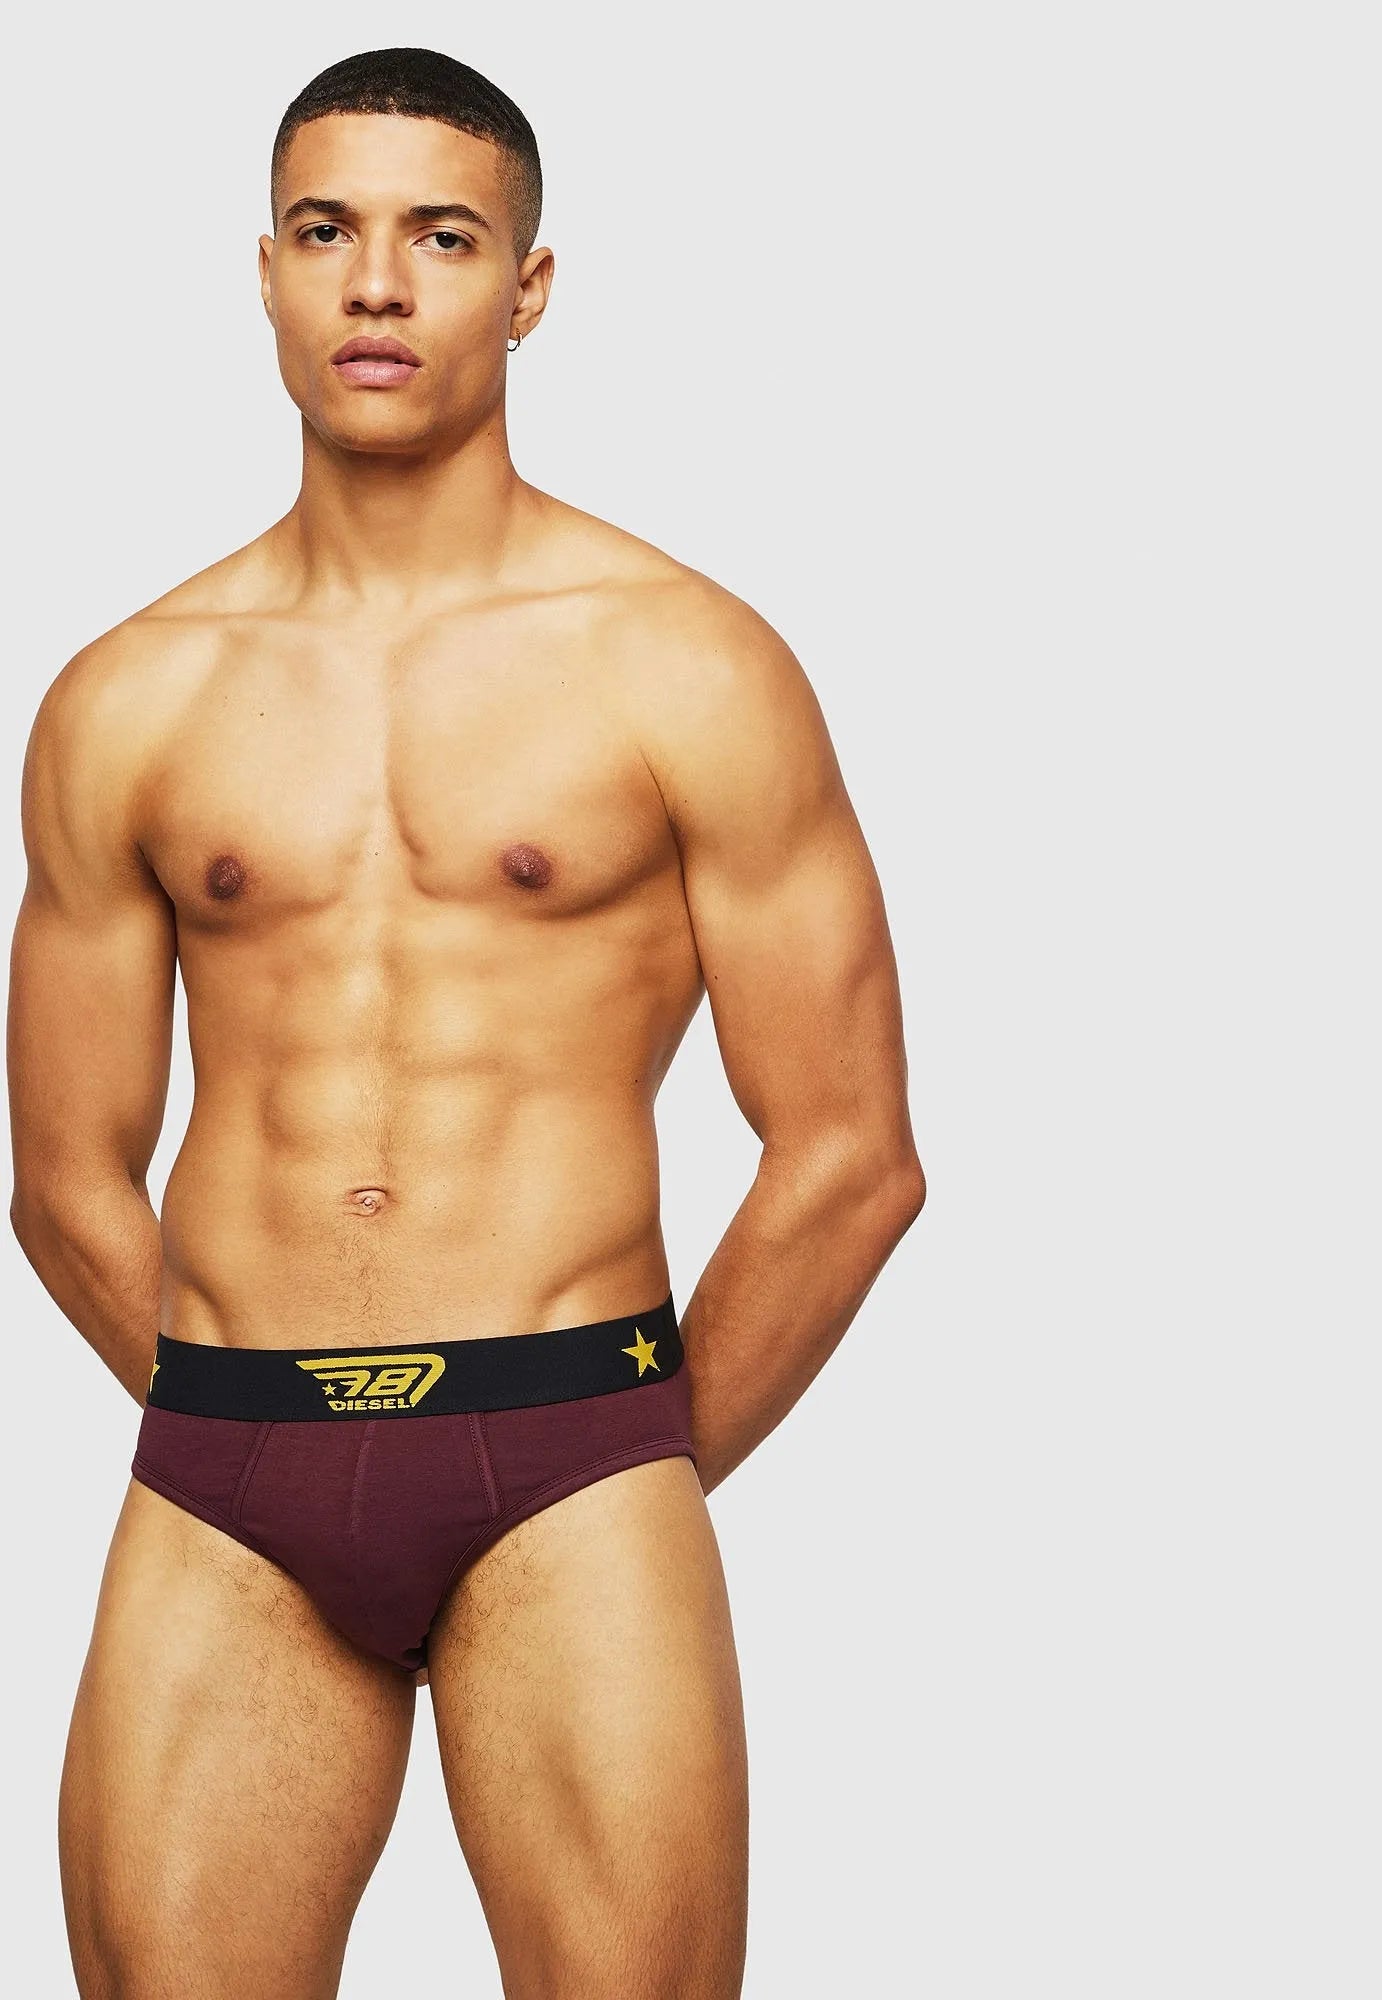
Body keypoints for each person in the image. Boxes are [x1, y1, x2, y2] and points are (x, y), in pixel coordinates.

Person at [7, 45, 924, 2000]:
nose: (376, 283)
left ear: (527, 287)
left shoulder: (685, 662)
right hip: (230, 1477)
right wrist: (246, 1420)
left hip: (574, 1449)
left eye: (440, 236)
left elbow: (850, 1154)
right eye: (325, 231)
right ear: (265, 271)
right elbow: (61, 1171)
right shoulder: (128, 696)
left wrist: (624, 1454)